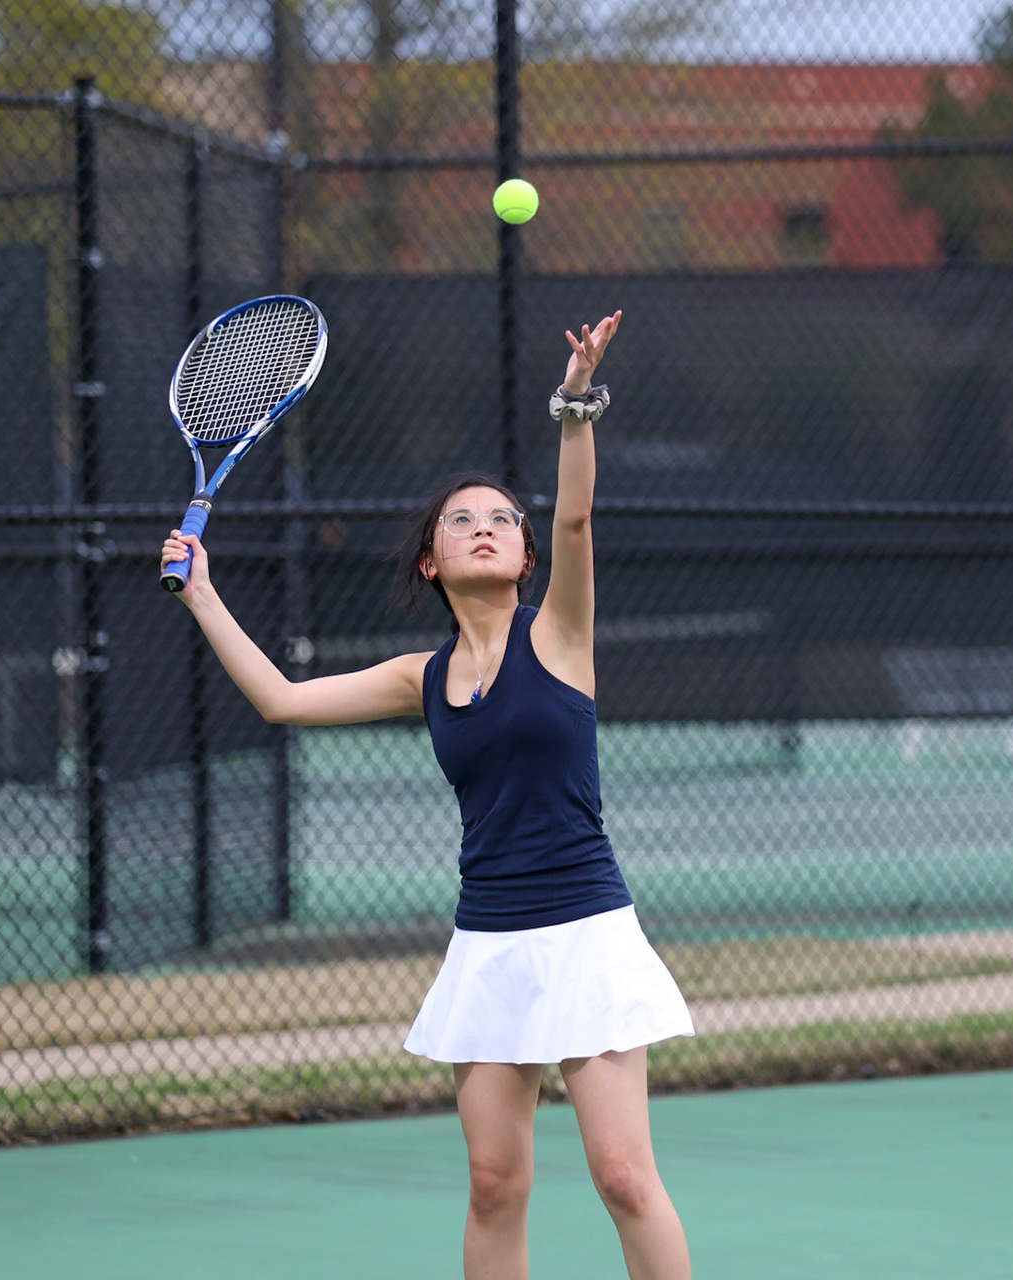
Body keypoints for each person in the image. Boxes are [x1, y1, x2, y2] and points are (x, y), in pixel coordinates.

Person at [161, 311, 695, 1280]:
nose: (487, 528)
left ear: (525, 559)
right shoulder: (422, 674)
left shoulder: (560, 637)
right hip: (488, 940)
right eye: (463, 520)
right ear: (430, 560)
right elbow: (282, 697)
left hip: (586, 930)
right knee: (497, 1183)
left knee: (622, 1173)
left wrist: (575, 401)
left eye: (502, 521)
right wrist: (201, 592)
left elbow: (574, 516)